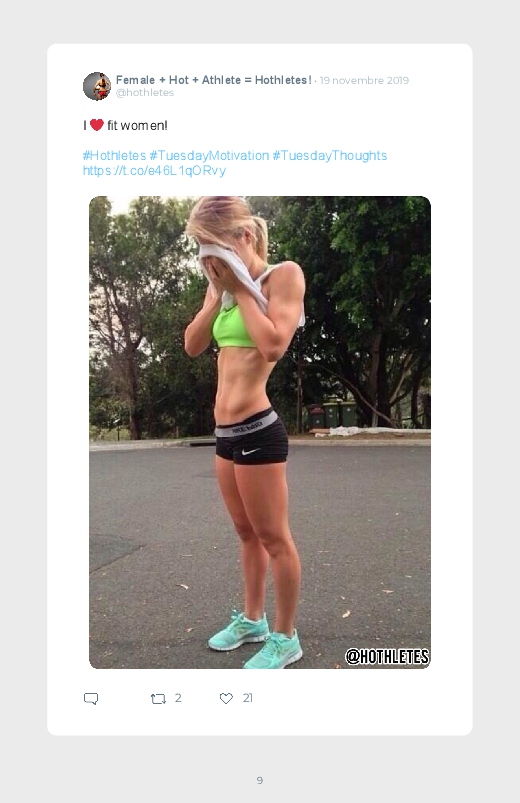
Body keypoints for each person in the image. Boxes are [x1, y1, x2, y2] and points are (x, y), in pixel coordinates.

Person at [184, 196, 306, 669]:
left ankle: (285, 637)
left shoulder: (283, 276)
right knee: (246, 533)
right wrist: (218, 294)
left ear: (245, 237)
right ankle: (253, 619)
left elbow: (273, 345)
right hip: (225, 435)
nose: (209, 259)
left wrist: (240, 287)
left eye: (214, 246)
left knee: (274, 537)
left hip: (258, 429)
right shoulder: (221, 288)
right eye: (202, 250)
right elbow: (193, 345)